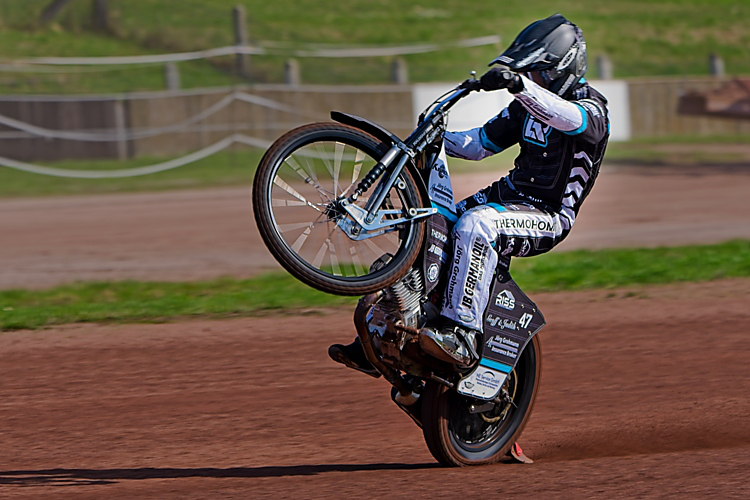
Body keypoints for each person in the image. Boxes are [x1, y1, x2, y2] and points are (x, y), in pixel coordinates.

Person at [329, 13, 610, 374]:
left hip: (549, 215)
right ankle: (381, 336)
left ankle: (461, 332)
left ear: (562, 68)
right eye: (530, 72)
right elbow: (479, 144)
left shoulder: (591, 107)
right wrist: (435, 138)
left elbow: (568, 119)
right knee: (431, 228)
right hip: (507, 195)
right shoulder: (524, 107)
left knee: (477, 226)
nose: (534, 79)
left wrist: (519, 86)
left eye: (539, 71)